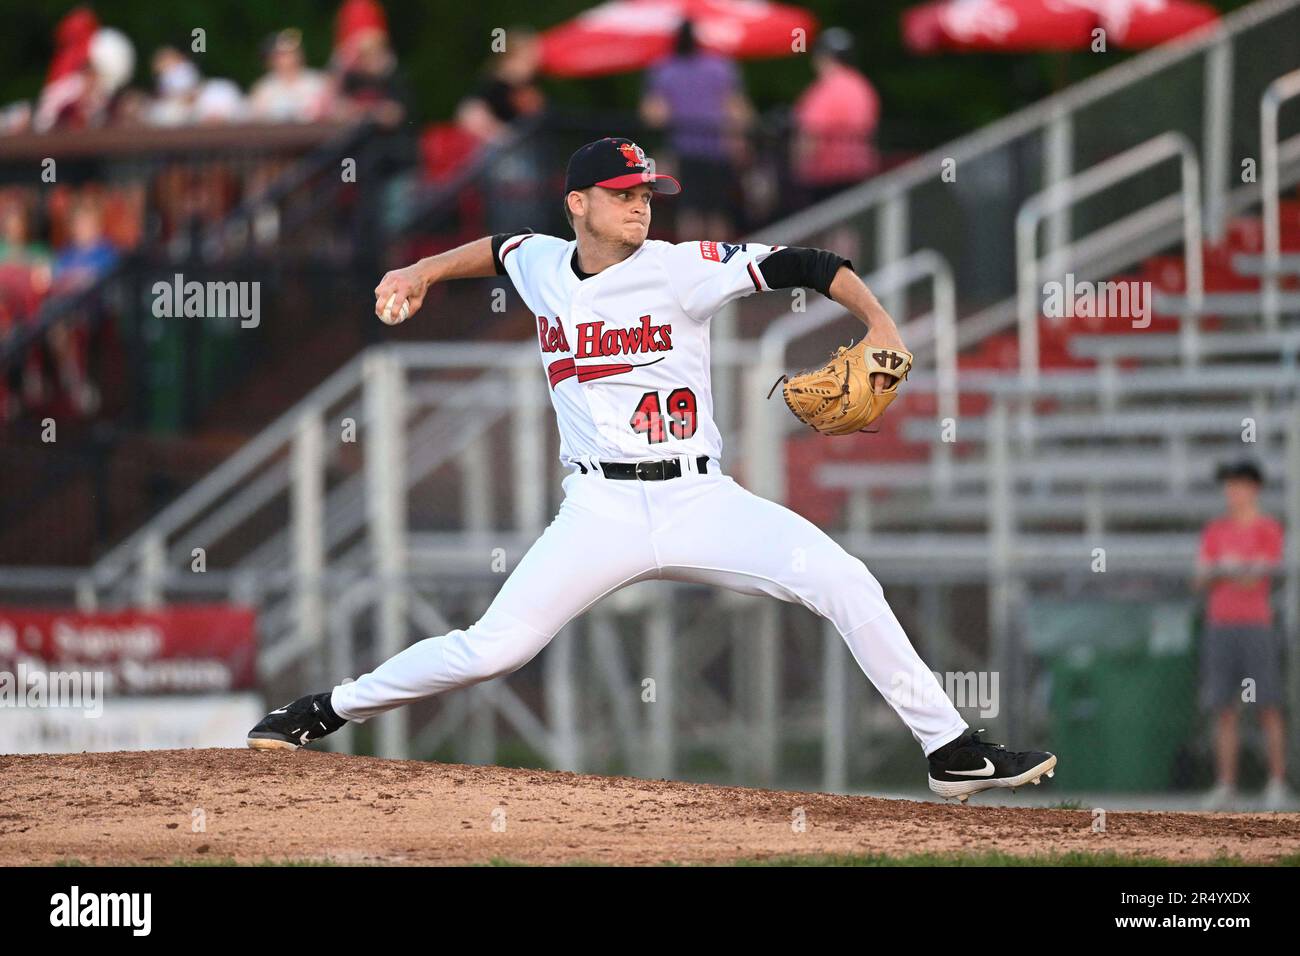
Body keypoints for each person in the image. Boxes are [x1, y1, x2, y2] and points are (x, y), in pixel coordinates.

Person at [247, 137, 1056, 802]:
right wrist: (418, 272)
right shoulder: (541, 264)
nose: (641, 205)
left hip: (701, 497)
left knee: (844, 580)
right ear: (579, 205)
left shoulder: (678, 266)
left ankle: (949, 749)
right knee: (493, 649)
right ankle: (326, 708)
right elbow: (496, 251)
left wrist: (880, 321)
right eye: (625, 193)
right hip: (598, 509)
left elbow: (810, 264)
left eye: (647, 194)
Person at [1195, 460, 1292, 811]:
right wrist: (1228, 570)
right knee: (1224, 708)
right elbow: (1201, 578)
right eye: (1229, 486)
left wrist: (1226, 570)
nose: (1231, 493)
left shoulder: (1267, 528)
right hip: (1220, 624)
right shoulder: (1216, 530)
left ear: (1253, 489)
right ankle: (1226, 784)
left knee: (1267, 705)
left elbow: (1258, 576)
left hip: (1255, 625)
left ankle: (1277, 782)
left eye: (1238, 485)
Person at [640, 19, 752, 239]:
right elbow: (737, 110)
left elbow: (654, 116)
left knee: (689, 210)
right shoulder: (720, 67)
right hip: (717, 149)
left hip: (685, 149)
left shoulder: (663, 70)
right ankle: (720, 264)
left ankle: (691, 265)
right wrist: (741, 141)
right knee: (718, 212)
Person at [791, 27, 881, 207]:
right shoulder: (863, 87)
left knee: (824, 228)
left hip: (826, 175)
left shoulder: (825, 88)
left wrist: (797, 172)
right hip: (860, 170)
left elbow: (810, 135)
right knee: (848, 225)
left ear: (822, 57)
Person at [249, 29, 330, 124]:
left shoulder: (318, 81)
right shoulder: (263, 89)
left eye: (293, 52)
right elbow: (256, 118)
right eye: (283, 54)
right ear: (270, 59)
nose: (290, 57)